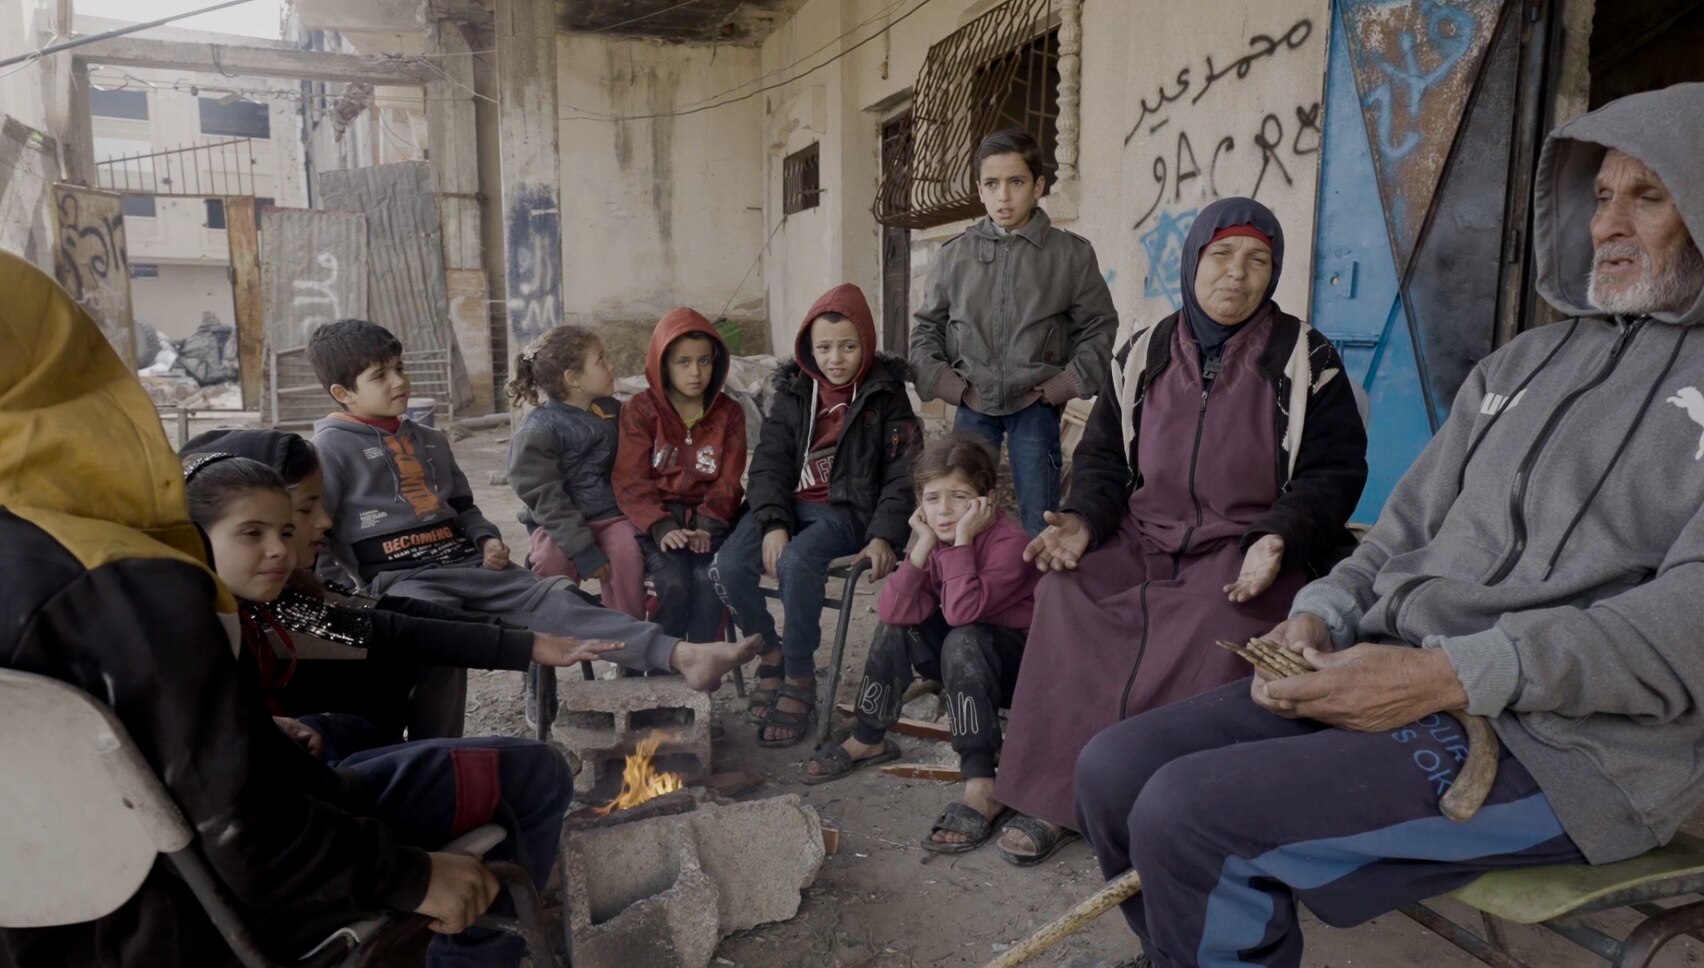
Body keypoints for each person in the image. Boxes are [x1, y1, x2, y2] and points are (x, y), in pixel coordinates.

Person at [1074, 83, 1704, 968]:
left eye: (1649, 194)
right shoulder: (1521, 364)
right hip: (1394, 671)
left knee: (1191, 818)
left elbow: (1686, 630)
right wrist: (1325, 613)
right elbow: (1405, 527)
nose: (1607, 224)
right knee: (1113, 771)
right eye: (1600, 195)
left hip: (1573, 749)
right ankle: (1193, 948)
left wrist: (1446, 675)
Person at [0, 249, 560, 968]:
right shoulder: (135, 585)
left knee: (368, 712)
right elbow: (244, 831)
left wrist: (520, 640)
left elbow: (375, 625)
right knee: (486, 753)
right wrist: (409, 875)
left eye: (298, 524)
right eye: (270, 525)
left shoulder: (281, 603)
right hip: (199, 915)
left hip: (52, 922)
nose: (310, 533)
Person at [993, 197, 1368, 867]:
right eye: (1222, 255)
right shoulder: (1144, 353)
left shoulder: (1308, 360)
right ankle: (1060, 797)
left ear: (1274, 272)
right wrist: (1083, 520)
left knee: (1212, 620)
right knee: (1067, 594)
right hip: (1143, 536)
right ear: (1193, 260)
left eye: (1257, 261)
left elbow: (1334, 473)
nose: (1237, 275)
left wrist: (1279, 537)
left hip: (1243, 545)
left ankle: (1172, 814)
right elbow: (1104, 459)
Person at [306, 318, 759, 735]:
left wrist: (486, 539)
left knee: (560, 600)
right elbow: (315, 537)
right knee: (436, 644)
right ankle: (439, 748)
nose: (400, 381)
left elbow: (464, 507)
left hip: (470, 565)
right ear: (343, 393)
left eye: (399, 368)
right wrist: (339, 598)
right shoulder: (328, 450)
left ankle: (681, 655)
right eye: (380, 376)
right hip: (403, 579)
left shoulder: (428, 439)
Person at [180, 427, 621, 754]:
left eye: (286, 526)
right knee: (527, 765)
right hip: (338, 787)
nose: (326, 522)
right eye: (306, 509)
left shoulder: (285, 598)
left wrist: (523, 639)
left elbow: (391, 615)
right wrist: (521, 644)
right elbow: (391, 628)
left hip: (355, 757)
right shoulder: (248, 619)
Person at [801, 433, 1038, 852]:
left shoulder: (1010, 543)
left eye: (959, 496)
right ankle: (869, 735)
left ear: (986, 499)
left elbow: (965, 613)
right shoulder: (934, 538)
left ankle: (982, 780)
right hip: (960, 658)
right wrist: (922, 548)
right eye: (931, 498)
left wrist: (962, 541)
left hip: (1013, 670)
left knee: (964, 637)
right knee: (901, 626)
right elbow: (892, 611)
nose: (944, 511)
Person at [710, 284, 920, 747]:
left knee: (797, 563)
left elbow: (903, 478)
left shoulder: (887, 397)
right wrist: (774, 522)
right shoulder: (793, 392)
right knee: (726, 565)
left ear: (866, 342)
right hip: (787, 506)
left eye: (848, 346)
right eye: (824, 347)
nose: (836, 358)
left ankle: (801, 674)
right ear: (809, 347)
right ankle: (769, 648)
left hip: (843, 512)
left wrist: (884, 536)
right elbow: (768, 464)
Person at [909, 127, 1119, 536]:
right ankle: (964, 591)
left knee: (1040, 514)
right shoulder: (955, 256)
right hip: (973, 401)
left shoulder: (1070, 255)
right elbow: (926, 330)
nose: (1004, 196)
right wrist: (952, 386)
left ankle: (1036, 594)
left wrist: (1061, 386)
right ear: (980, 190)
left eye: (1016, 182)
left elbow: (1099, 326)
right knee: (959, 513)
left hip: (1035, 405)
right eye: (992, 184)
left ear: (1038, 186)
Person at [614, 308, 747, 642]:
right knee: (672, 583)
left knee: (708, 581)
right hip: (657, 523)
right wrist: (661, 526)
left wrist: (708, 525)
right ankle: (662, 665)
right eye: (683, 362)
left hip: (712, 522)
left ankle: (702, 669)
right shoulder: (641, 411)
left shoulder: (729, 413)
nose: (696, 373)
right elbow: (630, 480)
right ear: (663, 365)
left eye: (704, 361)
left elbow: (729, 480)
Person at [506, 326, 646, 620]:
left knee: (628, 553)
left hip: (611, 516)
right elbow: (545, 498)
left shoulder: (614, 412)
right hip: (559, 524)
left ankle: (628, 645)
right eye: (601, 360)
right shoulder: (539, 429)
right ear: (573, 379)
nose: (611, 365)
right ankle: (551, 643)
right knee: (550, 564)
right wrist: (582, 550)